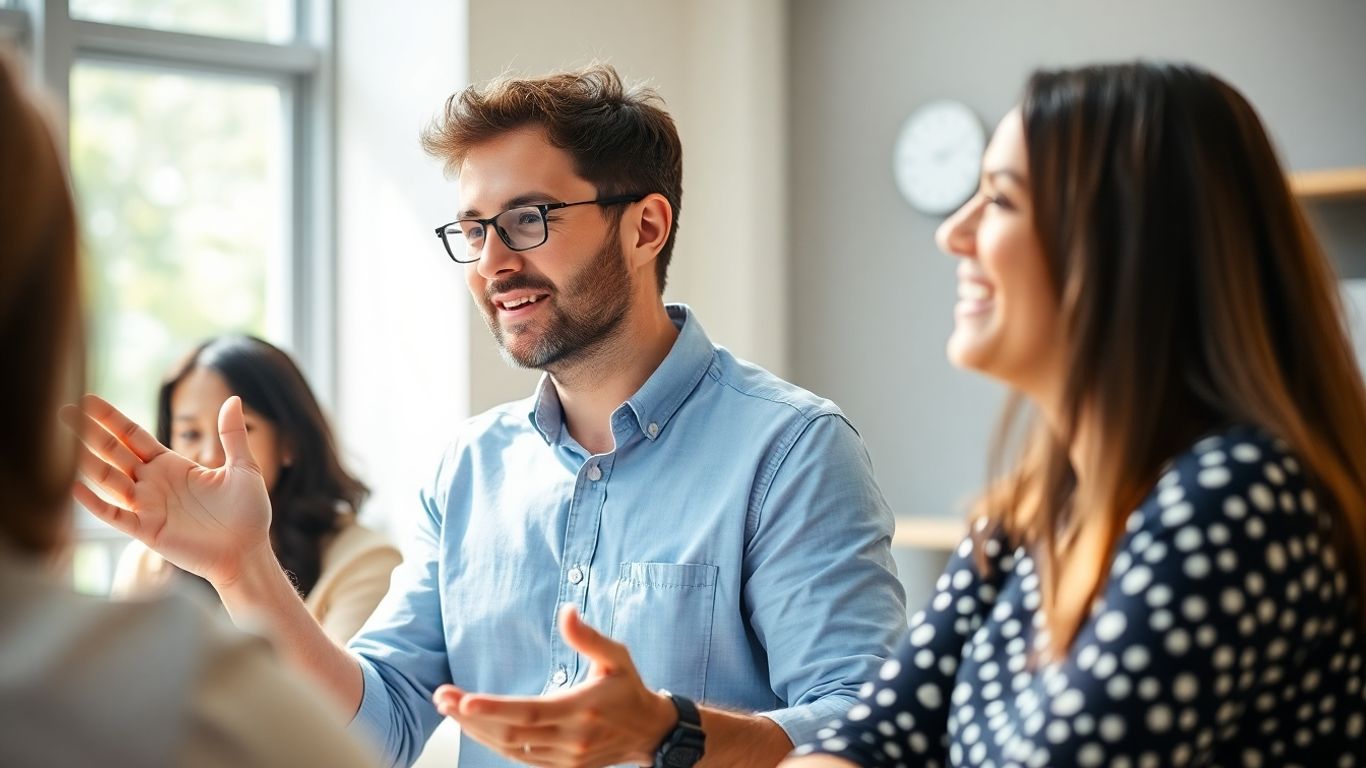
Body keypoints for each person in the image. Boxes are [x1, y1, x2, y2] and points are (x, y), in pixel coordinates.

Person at [71, 64, 908, 768]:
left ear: (647, 226)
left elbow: (872, 735)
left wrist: (672, 733)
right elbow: (375, 731)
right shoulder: (468, 469)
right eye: (474, 230)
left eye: (528, 220)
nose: (494, 264)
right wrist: (238, 567)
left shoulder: (791, 452)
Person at [782, 61, 1366, 767]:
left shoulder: (1241, 495)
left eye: (999, 200)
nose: (953, 234)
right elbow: (872, 738)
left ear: (1126, 246)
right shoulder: (1026, 516)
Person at [0, 50, 376, 768]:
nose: (201, 454)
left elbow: (363, 731)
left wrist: (241, 565)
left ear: (289, 441)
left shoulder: (357, 560)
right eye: (187, 431)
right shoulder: (161, 633)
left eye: (225, 431)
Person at [111, 334, 402, 644]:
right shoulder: (147, 562)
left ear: (289, 442)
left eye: (242, 429)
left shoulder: (366, 562)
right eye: (190, 433)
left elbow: (342, 693)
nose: (210, 455)